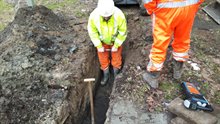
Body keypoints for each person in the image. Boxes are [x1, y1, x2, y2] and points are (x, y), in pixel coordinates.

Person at [143, 0, 204, 88]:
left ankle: (153, 76)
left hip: (164, 10)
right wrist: (195, 5)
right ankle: (177, 72)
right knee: (182, 40)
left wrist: (150, 9)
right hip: (189, 8)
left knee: (160, 43)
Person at [87, 0, 127, 85]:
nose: (106, 18)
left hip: (114, 41)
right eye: (104, 16)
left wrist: (116, 45)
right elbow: (92, 32)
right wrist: (98, 45)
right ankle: (106, 75)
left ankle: (116, 76)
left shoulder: (119, 15)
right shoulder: (94, 16)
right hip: (102, 43)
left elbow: (123, 32)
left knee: (116, 59)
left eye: (108, 16)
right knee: (103, 60)